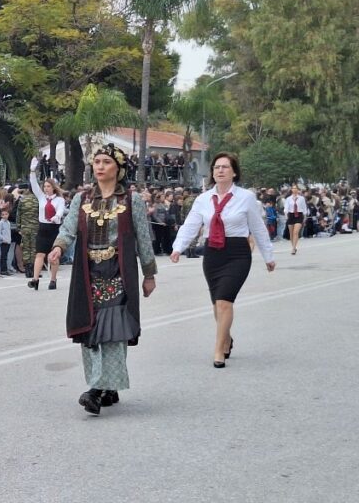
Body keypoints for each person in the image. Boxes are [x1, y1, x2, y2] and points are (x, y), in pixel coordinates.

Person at [48, 144, 157, 416]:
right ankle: (110, 386)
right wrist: (59, 247)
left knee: (112, 330)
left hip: (119, 273)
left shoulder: (132, 200)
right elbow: (68, 228)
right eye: (96, 161)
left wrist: (149, 273)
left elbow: (143, 238)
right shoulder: (82, 199)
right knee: (91, 330)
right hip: (88, 275)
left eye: (106, 162)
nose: (99, 166)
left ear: (118, 169)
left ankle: (96, 389)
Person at [171, 152, 275, 368]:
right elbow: (191, 225)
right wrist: (178, 248)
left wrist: (268, 256)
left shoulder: (246, 197)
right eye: (216, 167)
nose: (220, 170)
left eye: (225, 167)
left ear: (234, 172)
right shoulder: (203, 199)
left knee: (224, 300)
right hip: (213, 253)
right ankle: (226, 338)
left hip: (237, 252)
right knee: (216, 303)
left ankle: (218, 349)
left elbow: (257, 228)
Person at [28, 156, 65, 290]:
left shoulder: (59, 200)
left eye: (49, 186)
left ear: (54, 187)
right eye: (45, 186)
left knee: (54, 256)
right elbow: (34, 185)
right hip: (43, 228)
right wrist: (32, 171)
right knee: (39, 254)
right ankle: (35, 279)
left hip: (54, 229)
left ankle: (53, 280)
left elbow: (61, 210)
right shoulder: (42, 198)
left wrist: (57, 216)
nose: (46, 188)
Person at [284, 184, 306, 256]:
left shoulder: (301, 198)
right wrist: (286, 214)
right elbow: (286, 208)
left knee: (296, 232)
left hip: (299, 215)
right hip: (291, 215)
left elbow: (304, 207)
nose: (294, 189)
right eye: (293, 188)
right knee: (291, 233)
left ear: (298, 190)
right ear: (291, 190)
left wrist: (305, 216)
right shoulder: (288, 199)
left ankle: (293, 248)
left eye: (296, 188)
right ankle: (293, 246)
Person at [0, 207, 13, 276]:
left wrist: (9, 240)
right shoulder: (1, 223)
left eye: (6, 214)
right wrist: (3, 239)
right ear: (1, 216)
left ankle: (5, 269)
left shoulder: (8, 222)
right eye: (3, 214)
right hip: (3, 242)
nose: (5, 216)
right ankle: (3, 270)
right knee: (3, 256)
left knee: (6, 255)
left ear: (8, 214)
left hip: (8, 241)